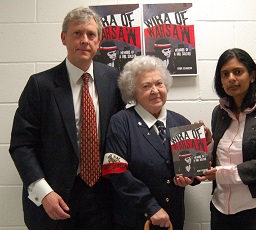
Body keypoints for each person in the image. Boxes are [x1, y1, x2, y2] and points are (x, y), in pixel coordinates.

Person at [9, 7, 124, 230]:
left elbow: (127, 130)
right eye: (77, 33)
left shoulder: (113, 80)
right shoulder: (40, 86)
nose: (84, 40)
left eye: (91, 35)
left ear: (98, 41)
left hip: (102, 198)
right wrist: (44, 193)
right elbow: (21, 146)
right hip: (54, 200)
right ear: (63, 38)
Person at [101, 55, 210, 230]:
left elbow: (194, 173)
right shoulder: (121, 122)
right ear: (132, 92)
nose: (155, 90)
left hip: (172, 219)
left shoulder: (181, 122)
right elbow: (116, 172)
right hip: (135, 219)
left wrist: (191, 177)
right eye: (146, 86)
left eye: (159, 83)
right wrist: (151, 207)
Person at [196, 48, 256, 230]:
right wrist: (208, 144)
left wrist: (223, 174)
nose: (231, 78)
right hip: (221, 208)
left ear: (252, 76)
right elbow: (223, 154)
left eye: (238, 72)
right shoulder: (220, 111)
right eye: (225, 74)